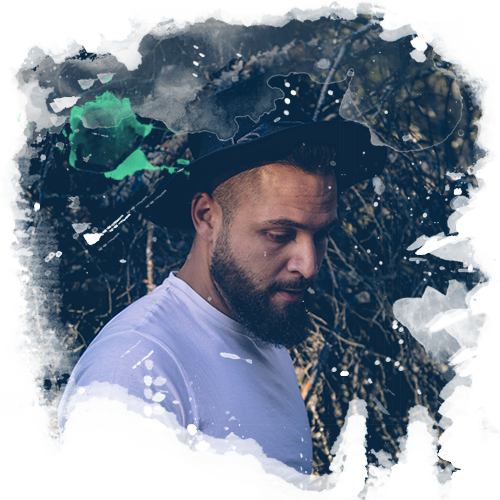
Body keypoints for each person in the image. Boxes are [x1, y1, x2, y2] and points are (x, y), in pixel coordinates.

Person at [57, 85, 387, 499]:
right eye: (280, 234)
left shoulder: (258, 324)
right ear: (206, 217)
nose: (309, 265)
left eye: (320, 235)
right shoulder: (135, 370)